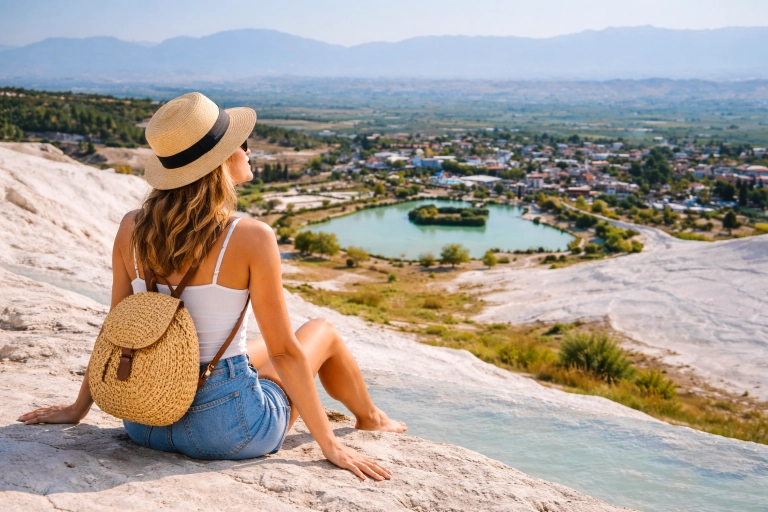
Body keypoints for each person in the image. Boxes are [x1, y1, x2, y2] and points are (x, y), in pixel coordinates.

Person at [18, 92, 405, 481]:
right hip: (228, 430)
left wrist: (78, 409)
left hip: (145, 422)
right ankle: (370, 418)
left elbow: (116, 330)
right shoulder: (251, 235)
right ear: (219, 162)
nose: (250, 151)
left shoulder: (130, 227)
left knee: (254, 352)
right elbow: (285, 352)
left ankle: (370, 416)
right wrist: (330, 446)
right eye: (243, 144)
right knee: (322, 331)